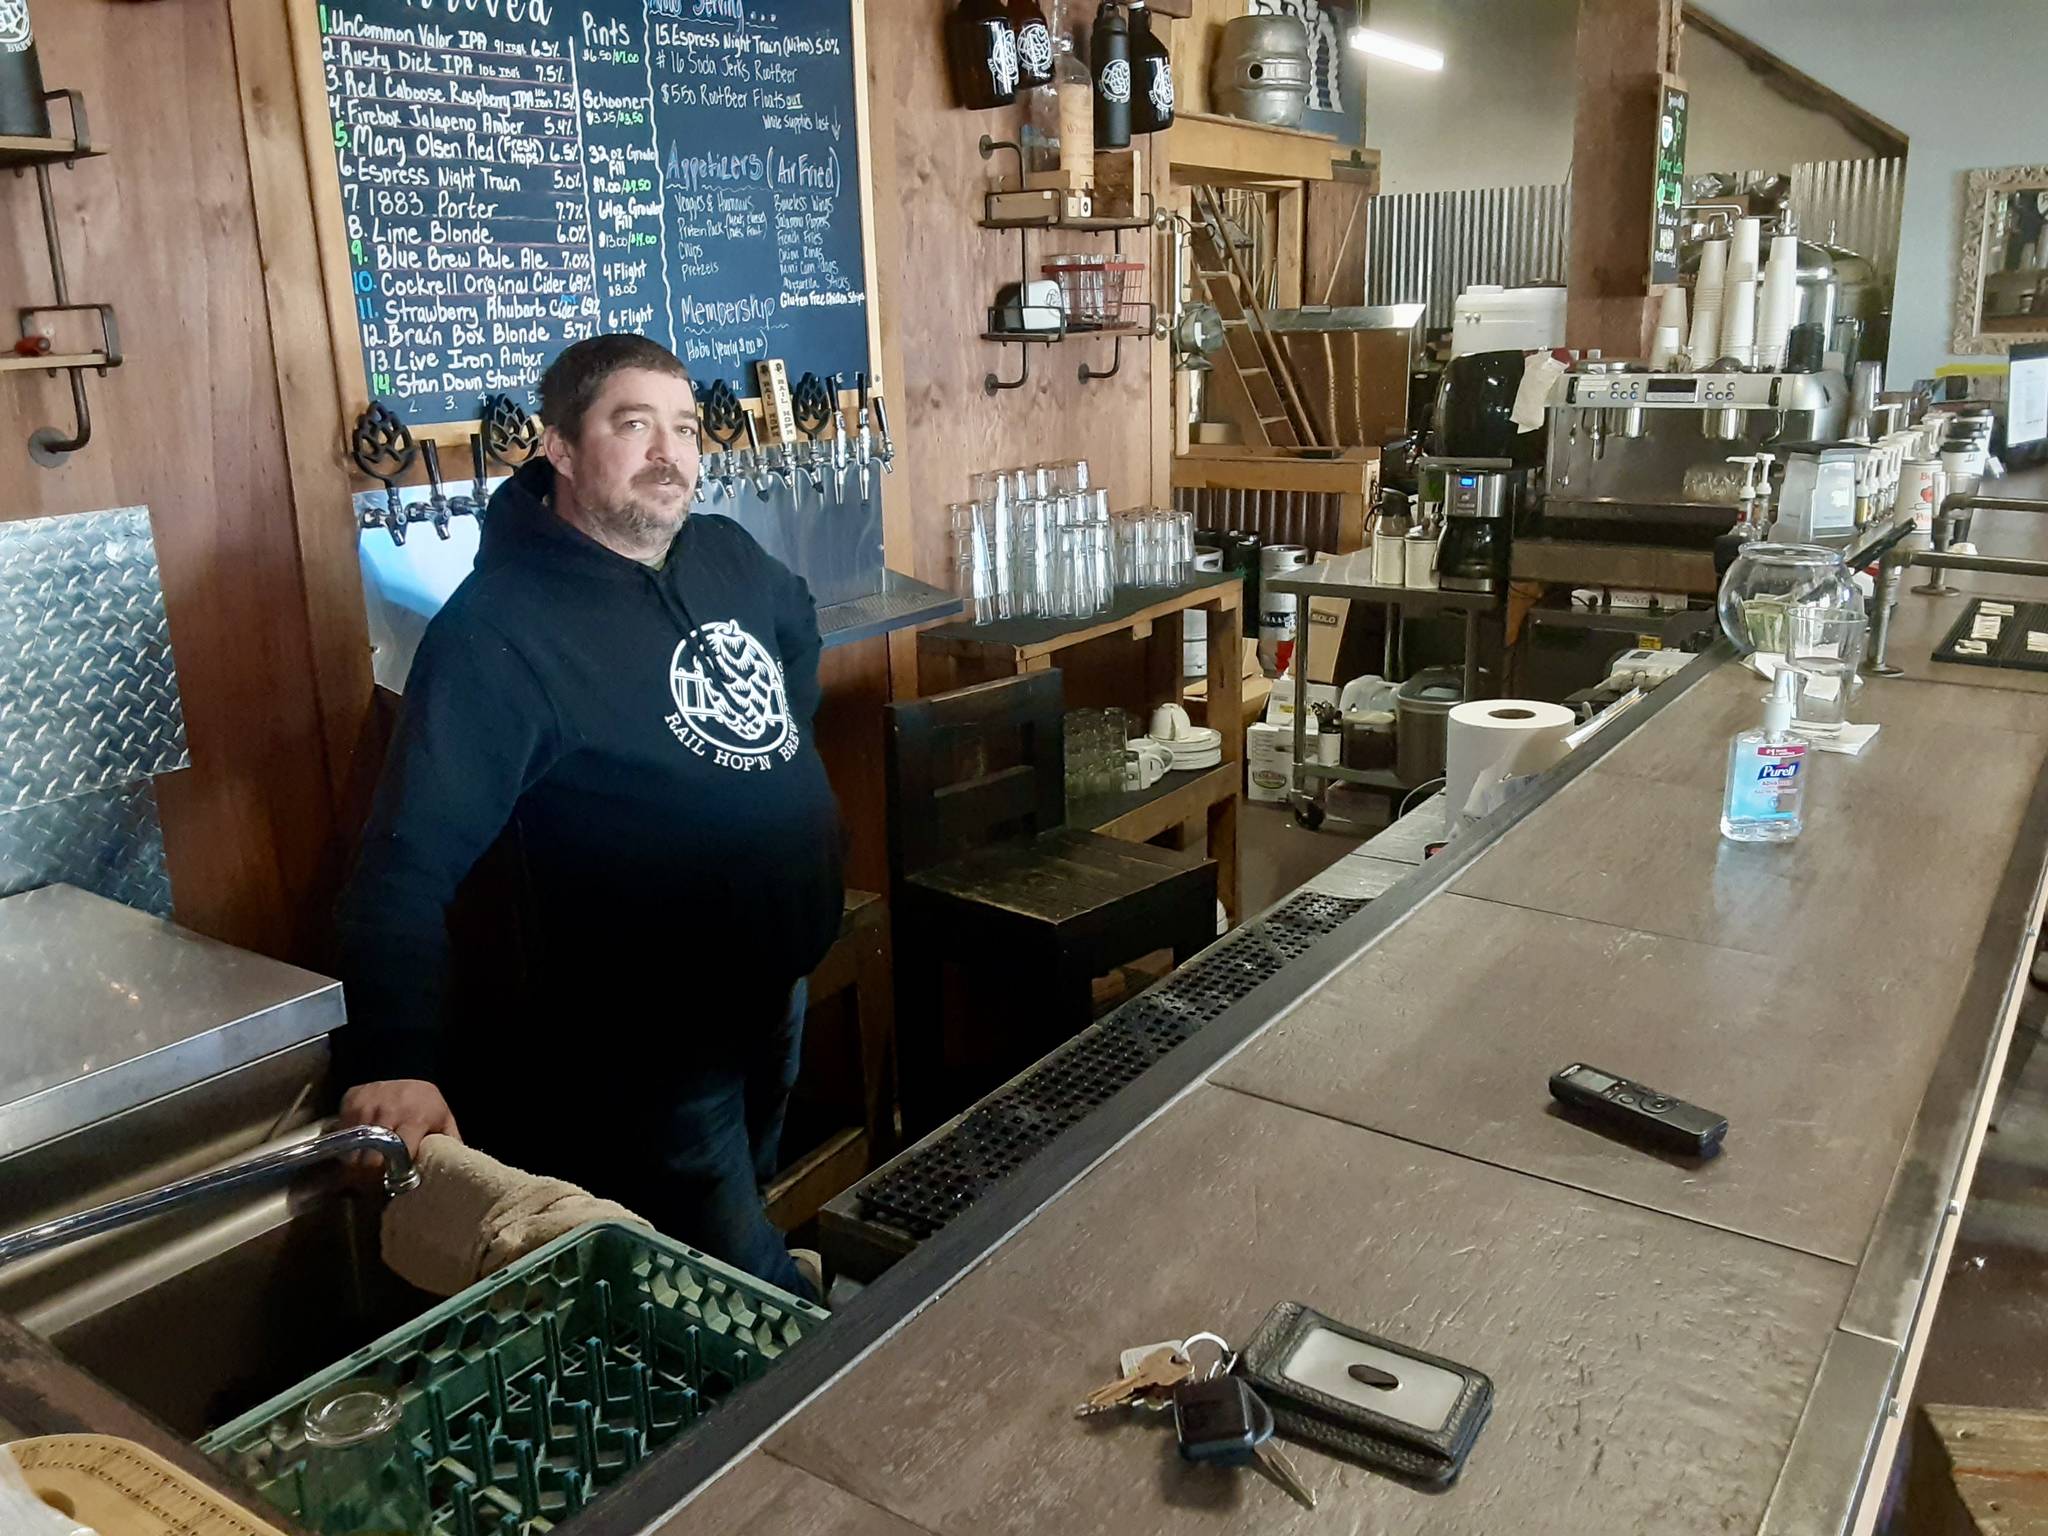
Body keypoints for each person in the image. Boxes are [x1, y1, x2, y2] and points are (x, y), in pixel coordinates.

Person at [332, 334, 843, 1301]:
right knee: (732, 1279)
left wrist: (779, 763)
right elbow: (401, 870)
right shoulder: (497, 635)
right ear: (561, 449)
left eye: (684, 427)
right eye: (633, 424)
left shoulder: (723, 553)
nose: (670, 452)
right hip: (652, 1032)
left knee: (746, 1199)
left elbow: (797, 623)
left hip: (778, 978)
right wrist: (396, 1058)